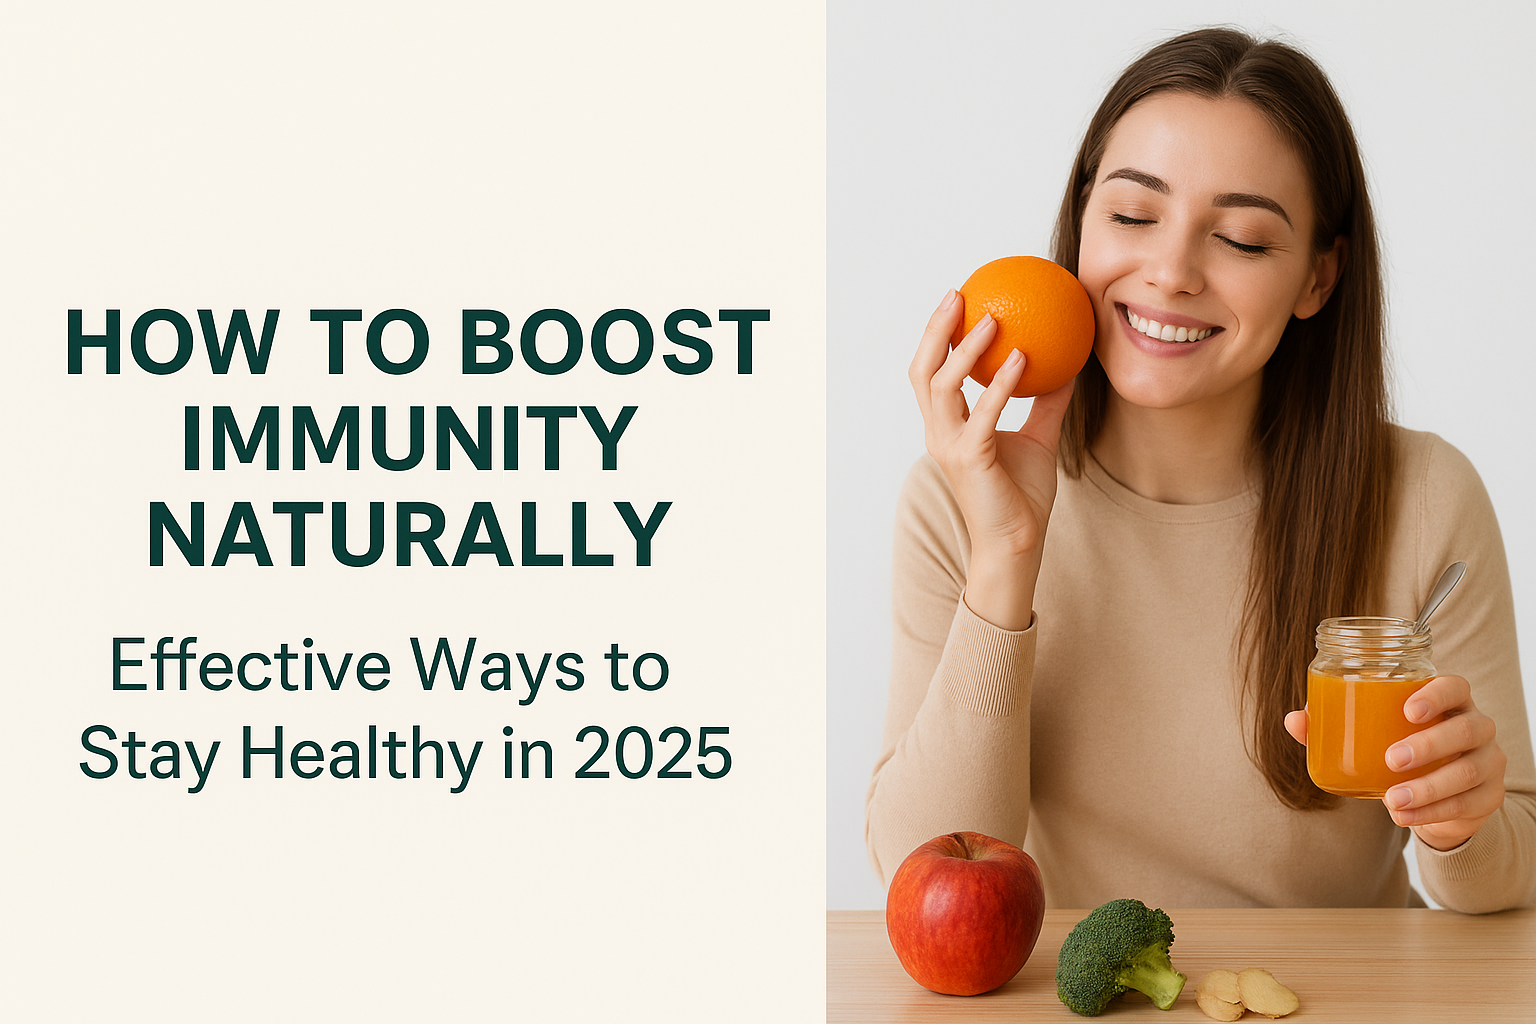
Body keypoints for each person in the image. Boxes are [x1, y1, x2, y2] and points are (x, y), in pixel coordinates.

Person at [866, 27, 1536, 913]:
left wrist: (1460, 825)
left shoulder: (1422, 497)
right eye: (1134, 216)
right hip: (1086, 1002)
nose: (1171, 271)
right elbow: (918, 881)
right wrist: (1007, 550)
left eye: (1245, 240)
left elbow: (1512, 869)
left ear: (1318, 279)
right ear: (1082, 220)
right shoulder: (959, 500)